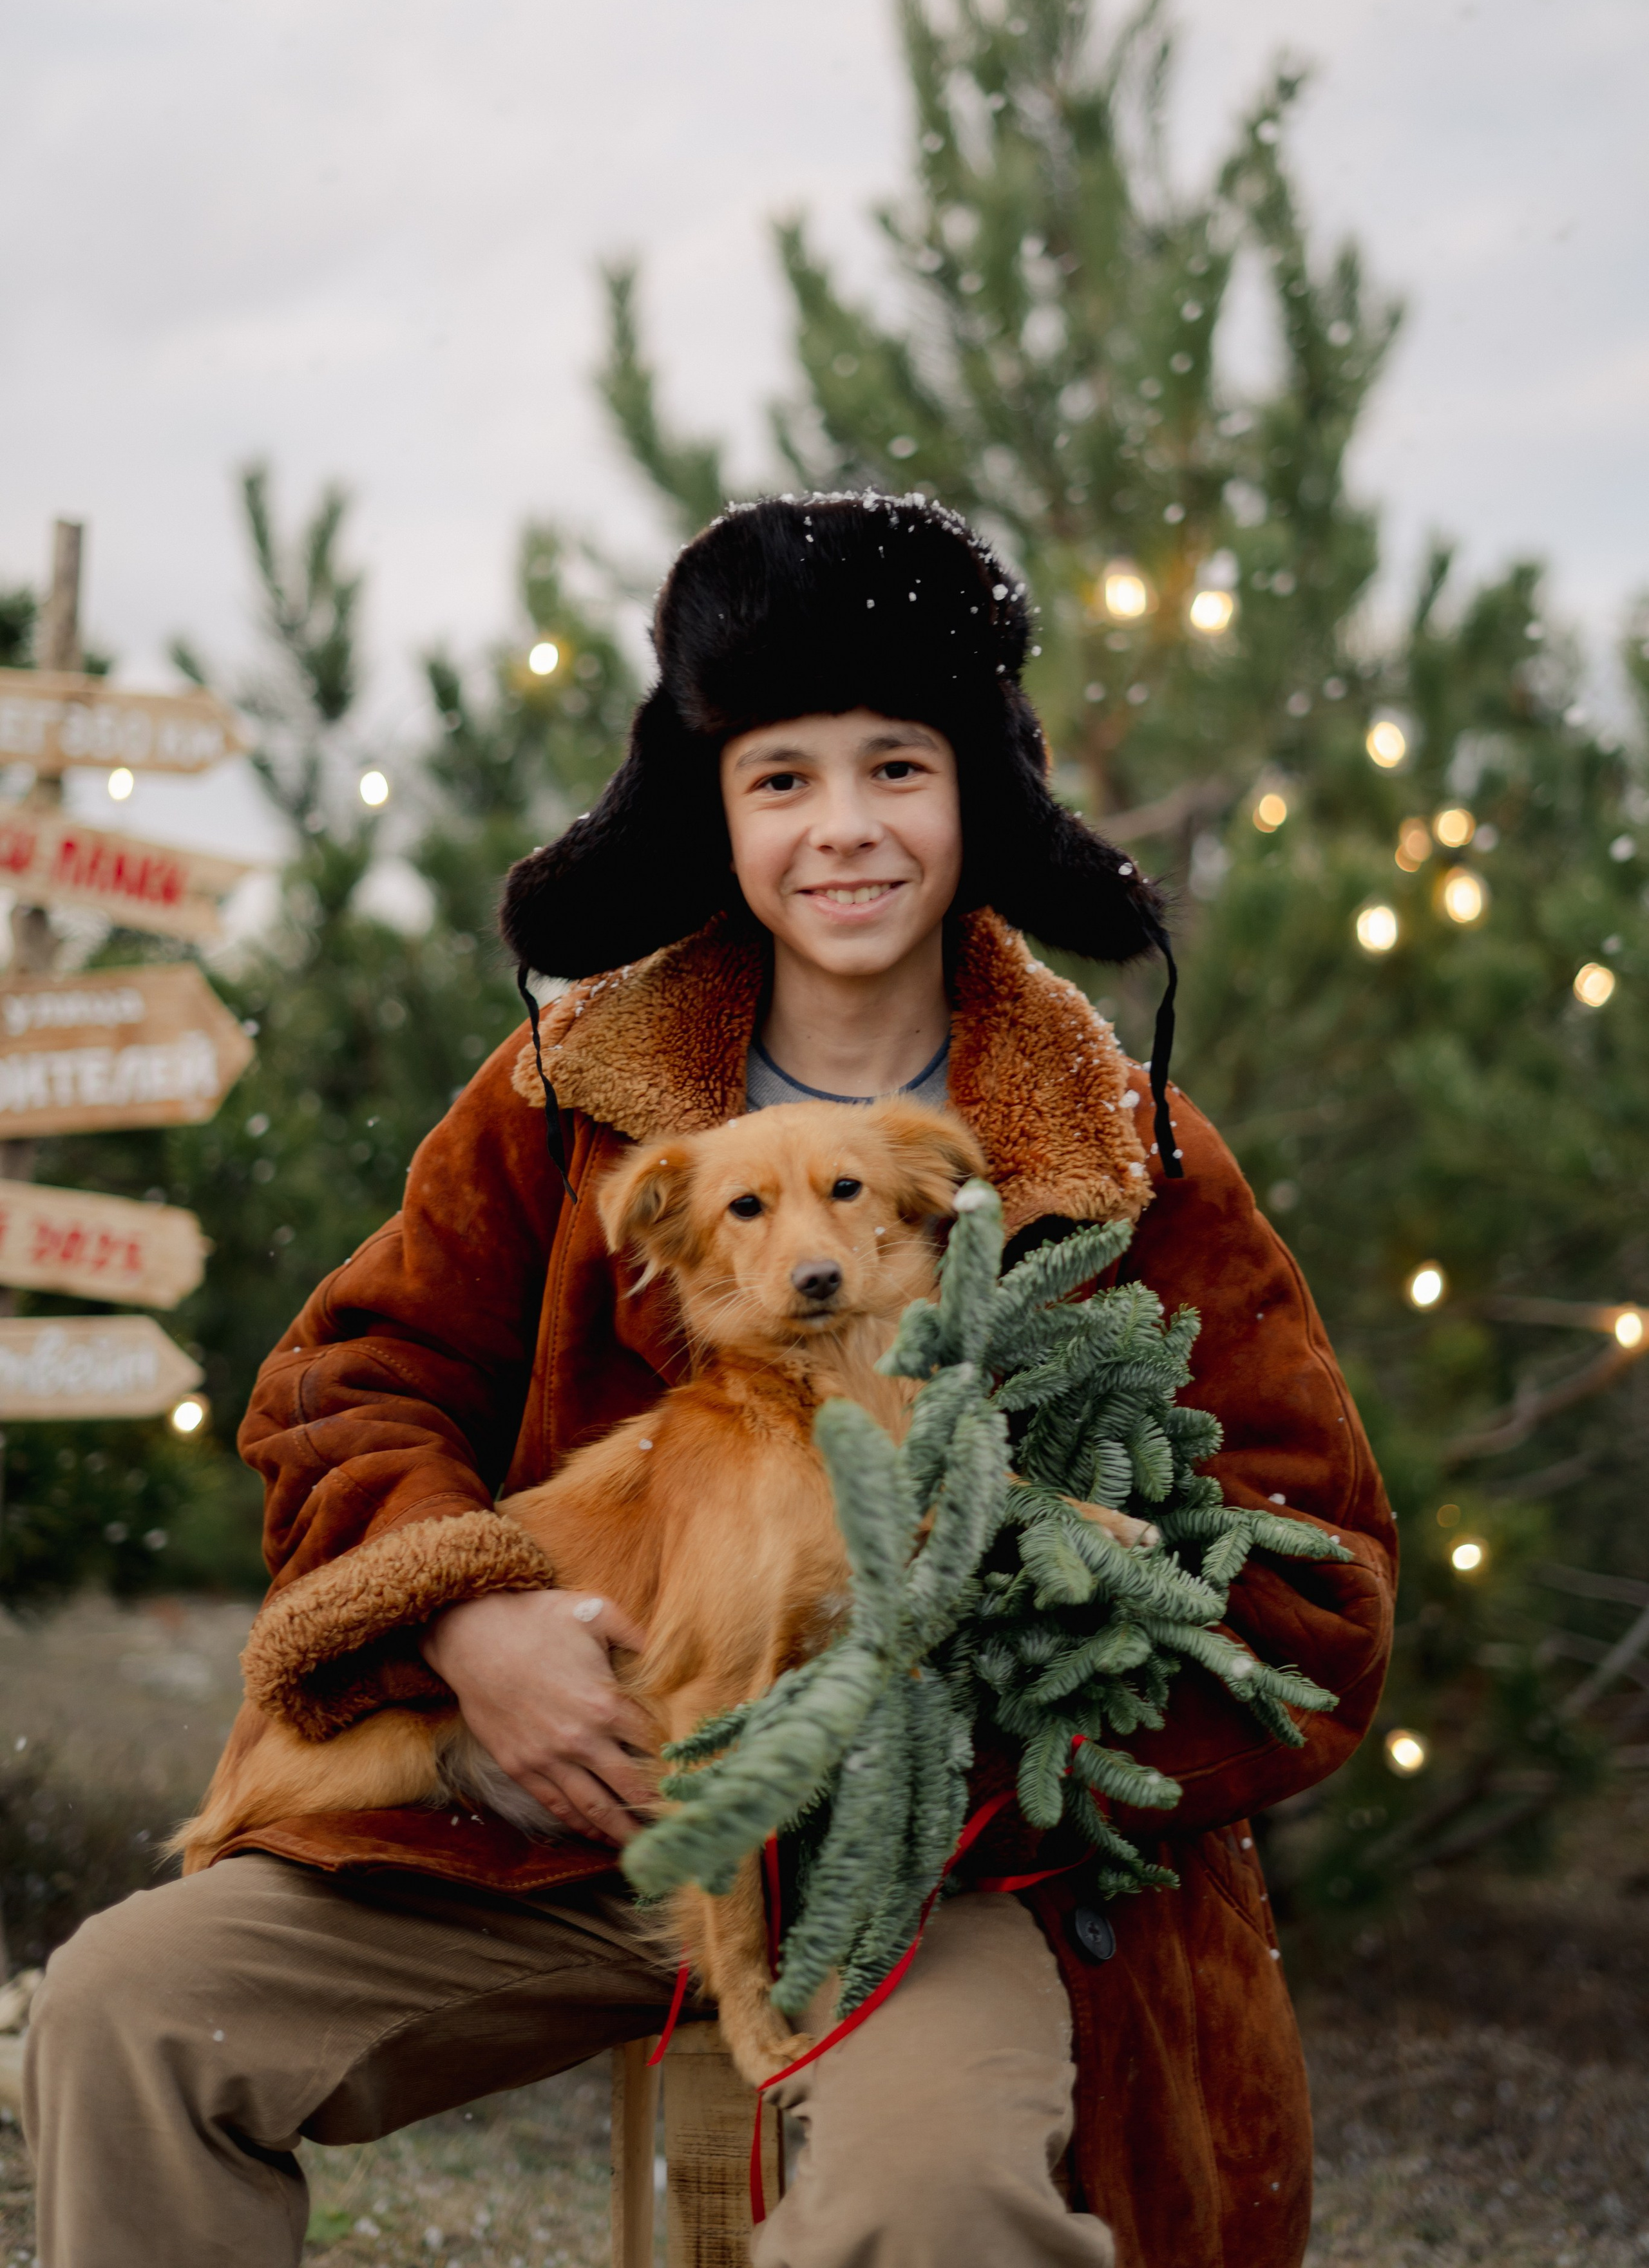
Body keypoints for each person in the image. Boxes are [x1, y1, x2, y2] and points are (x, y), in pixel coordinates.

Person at [24, 494, 1396, 2268]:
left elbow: (1317, 1586)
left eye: (896, 767)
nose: (844, 829)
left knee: (939, 2191)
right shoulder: (568, 1100)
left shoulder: (1124, 1156)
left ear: (976, 789)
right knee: (129, 2012)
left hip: (946, 1873)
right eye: (783, 777)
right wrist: (472, 1620)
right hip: (548, 1817)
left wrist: (953, 1731)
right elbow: (345, 1390)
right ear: (718, 810)